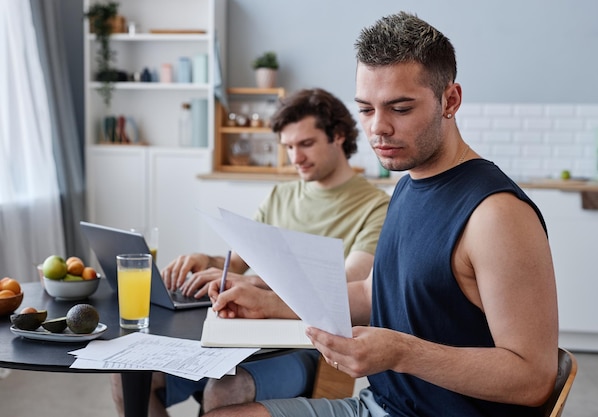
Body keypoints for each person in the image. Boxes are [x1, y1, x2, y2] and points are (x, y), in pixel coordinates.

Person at [202, 11, 559, 417]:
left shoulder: (495, 215)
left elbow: (534, 379)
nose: (378, 129)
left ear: (451, 100)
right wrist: (270, 302)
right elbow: (373, 293)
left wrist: (402, 352)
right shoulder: (408, 183)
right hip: (378, 404)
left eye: (400, 109)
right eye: (366, 109)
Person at [109, 88, 390, 416]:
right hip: (244, 335)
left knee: (226, 388)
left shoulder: (375, 207)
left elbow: (345, 287)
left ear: (338, 136)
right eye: (287, 147)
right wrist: (208, 262)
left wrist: (253, 287)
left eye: (306, 144)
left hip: (309, 348)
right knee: (126, 375)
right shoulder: (280, 196)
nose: (294, 157)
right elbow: (240, 261)